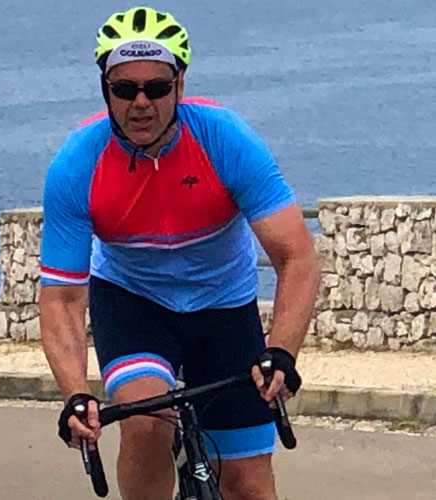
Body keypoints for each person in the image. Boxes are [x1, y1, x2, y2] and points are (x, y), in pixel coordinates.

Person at [39, 6, 320, 500]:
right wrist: (75, 395)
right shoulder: (77, 163)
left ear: (181, 85)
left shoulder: (224, 138)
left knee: (249, 486)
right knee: (147, 424)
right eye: (125, 89)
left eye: (157, 87)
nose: (141, 102)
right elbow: (62, 299)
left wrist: (282, 352)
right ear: (106, 89)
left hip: (224, 307)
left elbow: (296, 258)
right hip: (134, 303)